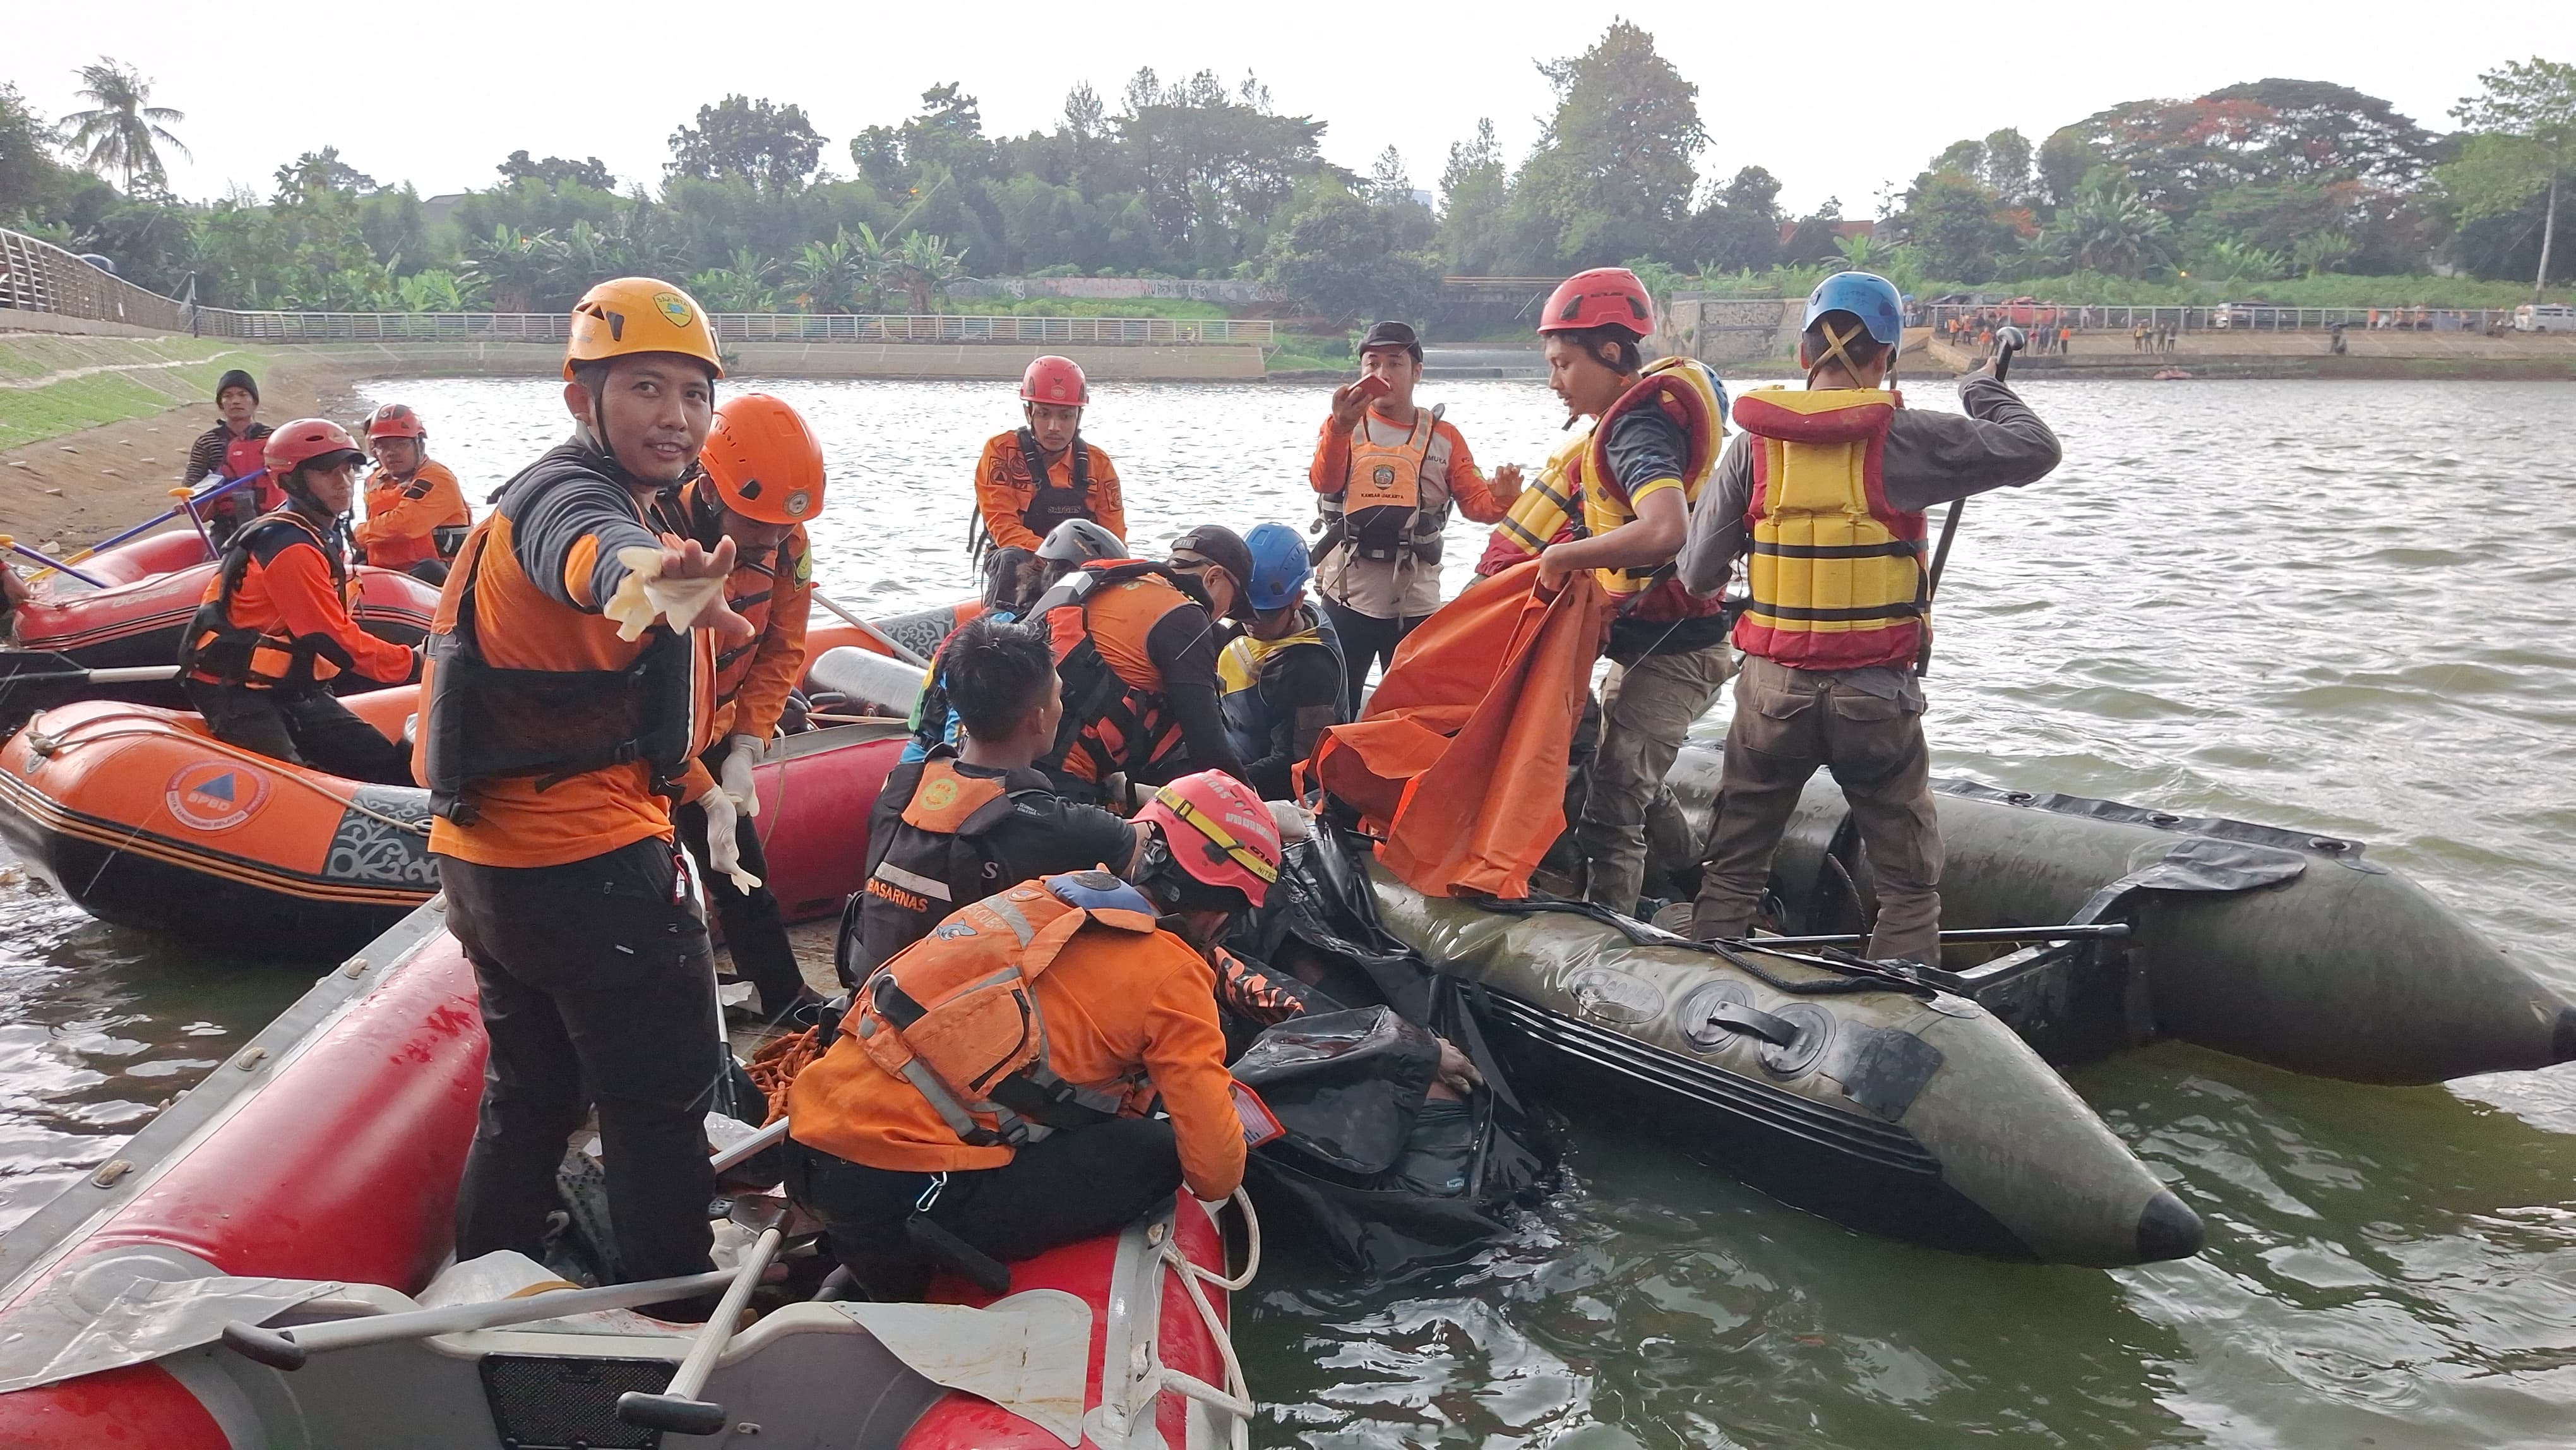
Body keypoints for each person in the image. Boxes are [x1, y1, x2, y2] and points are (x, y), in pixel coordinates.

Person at [417, 277, 756, 1317]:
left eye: (695, 395)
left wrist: (704, 780)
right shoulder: (578, 504)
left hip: (486, 869)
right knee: (657, 1105)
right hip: (585, 873)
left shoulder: (572, 495)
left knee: (532, 1095)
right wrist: (668, 577)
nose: (676, 415)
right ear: (583, 399)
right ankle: (674, 1319)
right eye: (646, 388)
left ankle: (490, 1281)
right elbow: (600, 567)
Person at [1676, 271, 2062, 966]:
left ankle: (1710, 984)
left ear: (1802, 355)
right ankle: (1900, 999)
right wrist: (1981, 387)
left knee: (1733, 865)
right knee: (1909, 883)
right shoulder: (1911, 438)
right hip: (1875, 700)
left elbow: (1699, 574)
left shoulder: (1752, 446)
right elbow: (2036, 448)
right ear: (1887, 356)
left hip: (1772, 696)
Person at [785, 770, 1275, 1301]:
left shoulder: (1036, 897)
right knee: (1157, 1152)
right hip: (905, 1191)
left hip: (810, 1147)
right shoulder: (1176, 979)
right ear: (1227, 912)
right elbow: (1216, 1173)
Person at [1529, 268, 1736, 918]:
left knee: (1613, 804)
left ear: (1612, 354)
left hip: (1679, 652)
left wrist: (1563, 556)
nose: (1555, 380)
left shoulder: (1636, 429)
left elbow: (1665, 529)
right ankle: (1692, 872)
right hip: (1647, 638)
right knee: (1622, 767)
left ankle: (1606, 935)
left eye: (1564, 363)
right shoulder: (1626, 423)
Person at [653, 392, 831, 1023]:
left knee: (744, 873)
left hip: (718, 724)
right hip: (649, 742)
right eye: (757, 527)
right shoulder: (664, 548)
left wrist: (746, 746)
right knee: (656, 888)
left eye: (784, 527)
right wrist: (700, 792)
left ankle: (784, 999)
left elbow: (783, 646)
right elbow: (647, 698)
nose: (772, 539)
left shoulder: (786, 536)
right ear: (711, 486)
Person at [846, 614, 1147, 982]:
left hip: (871, 996)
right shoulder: (1055, 823)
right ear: (1038, 719)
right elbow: (1145, 848)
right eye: (1057, 696)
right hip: (959, 1020)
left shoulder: (902, 784)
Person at [178, 417, 420, 784]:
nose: (343, 484)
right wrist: (412, 664)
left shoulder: (320, 534)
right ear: (290, 480)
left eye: (348, 471)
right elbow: (328, 637)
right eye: (326, 473)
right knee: (290, 783)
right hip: (237, 691)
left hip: (289, 686)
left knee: (382, 763)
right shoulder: (290, 547)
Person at [1307, 320, 1520, 710]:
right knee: (1334, 706)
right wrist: (1339, 428)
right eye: (1372, 364)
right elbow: (1324, 481)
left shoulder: (1445, 437)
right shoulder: (1342, 426)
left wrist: (1504, 500)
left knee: (1410, 710)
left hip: (1414, 599)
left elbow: (1478, 505)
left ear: (1417, 371)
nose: (1382, 375)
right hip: (1346, 594)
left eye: (1395, 363)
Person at [1025, 524, 1246, 801]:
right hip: (1064, 779)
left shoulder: (1115, 582)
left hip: (1019, 757)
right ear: (1214, 579)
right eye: (1233, 605)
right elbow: (1208, 749)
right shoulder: (1186, 617)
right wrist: (1261, 813)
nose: (1223, 617)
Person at [1217, 522, 1346, 801]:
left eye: (1265, 614)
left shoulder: (1311, 669)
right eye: (1243, 611)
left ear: (1299, 599)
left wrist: (1220, 781)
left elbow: (1297, 765)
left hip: (1269, 786)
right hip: (1228, 742)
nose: (1252, 623)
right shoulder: (1259, 620)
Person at [970, 355, 1123, 556]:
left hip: (1083, 565)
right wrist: (1057, 556)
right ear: (1028, 413)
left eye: (1065, 416)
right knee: (1009, 558)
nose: (1054, 427)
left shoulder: (1099, 464)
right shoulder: (1000, 452)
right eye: (1044, 414)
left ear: (1079, 417)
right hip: (1019, 559)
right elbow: (1003, 528)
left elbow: (1115, 538)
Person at [350, 403, 470, 585]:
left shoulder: (437, 479)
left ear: (419, 443)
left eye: (401, 444)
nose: (392, 452)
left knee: (428, 569)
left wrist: (358, 535)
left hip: (435, 575)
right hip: (385, 574)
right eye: (383, 446)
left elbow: (406, 523)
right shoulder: (375, 481)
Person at [182, 369, 280, 544]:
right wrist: (188, 500)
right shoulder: (207, 442)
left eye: (243, 395)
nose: (235, 401)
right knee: (219, 565)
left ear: (254, 402)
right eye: (228, 396)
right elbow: (192, 483)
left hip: (274, 523)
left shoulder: (275, 438)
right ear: (221, 404)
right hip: (226, 526)